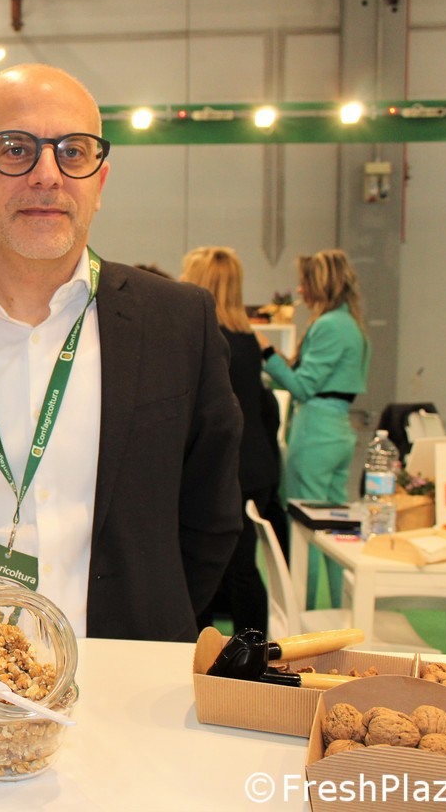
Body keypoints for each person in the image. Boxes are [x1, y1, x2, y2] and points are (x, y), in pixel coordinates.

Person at [0, 63, 243, 641]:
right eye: (15, 149)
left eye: (73, 152)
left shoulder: (179, 325)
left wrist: (148, 626)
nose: (47, 175)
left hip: (129, 671)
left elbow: (212, 520)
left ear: (100, 182)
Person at [258, 248, 369, 610]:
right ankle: (340, 608)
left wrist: (266, 354)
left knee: (304, 526)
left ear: (319, 283)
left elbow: (303, 387)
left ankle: (302, 610)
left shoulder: (328, 325)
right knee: (337, 529)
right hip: (339, 429)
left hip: (315, 431)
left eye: (304, 282)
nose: (299, 290)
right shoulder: (351, 324)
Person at [181, 246, 281, 634]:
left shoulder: (207, 340)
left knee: (216, 563)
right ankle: (251, 643)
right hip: (256, 466)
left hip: (228, 467)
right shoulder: (248, 340)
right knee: (242, 566)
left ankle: (214, 643)